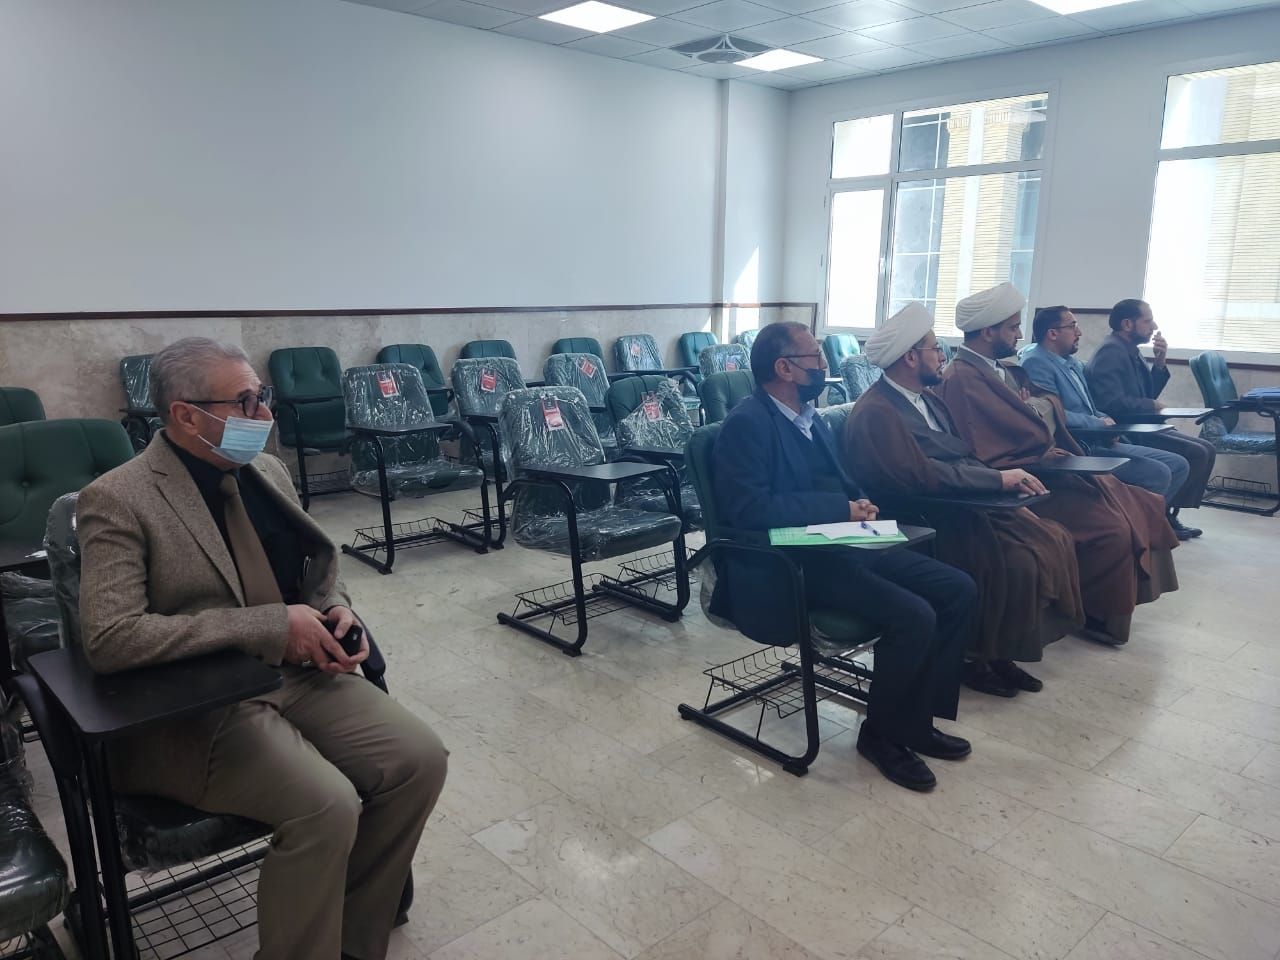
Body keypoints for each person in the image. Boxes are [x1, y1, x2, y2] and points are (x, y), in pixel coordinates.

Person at [77, 338, 448, 960]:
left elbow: (316, 569)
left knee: (420, 760)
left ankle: (353, 936)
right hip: (201, 704)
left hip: (298, 673)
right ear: (186, 415)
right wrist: (270, 625)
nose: (265, 414)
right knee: (324, 805)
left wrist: (336, 608)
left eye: (263, 396)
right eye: (246, 402)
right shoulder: (119, 498)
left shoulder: (266, 471)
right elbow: (111, 638)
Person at [712, 321, 977, 792]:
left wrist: (861, 504)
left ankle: (915, 721)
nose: (825, 365)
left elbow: (841, 480)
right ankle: (881, 736)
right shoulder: (747, 424)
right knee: (914, 615)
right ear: (784, 368)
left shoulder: (809, 415)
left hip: (846, 541)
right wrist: (839, 509)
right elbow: (748, 510)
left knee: (957, 589)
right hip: (798, 560)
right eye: (815, 358)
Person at [843, 303, 1084, 697]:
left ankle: (1001, 653)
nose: (943, 356)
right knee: (1019, 561)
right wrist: (997, 480)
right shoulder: (877, 411)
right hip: (927, 518)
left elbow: (962, 456)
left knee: (1052, 536)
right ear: (910, 357)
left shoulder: (929, 399)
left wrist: (1004, 485)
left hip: (963, 502)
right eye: (935, 348)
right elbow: (923, 476)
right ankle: (976, 657)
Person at [934, 283, 1179, 646]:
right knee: (1112, 527)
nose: (1020, 335)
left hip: (1045, 463)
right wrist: (1035, 414)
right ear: (987, 332)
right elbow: (984, 446)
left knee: (1143, 503)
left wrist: (1035, 410)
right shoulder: (961, 378)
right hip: (1022, 480)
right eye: (1012, 328)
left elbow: (1043, 408)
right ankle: (1096, 610)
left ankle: (1102, 606)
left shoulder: (1001, 369)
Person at [1021, 305, 1200, 539]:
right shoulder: (1037, 362)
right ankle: (1136, 532)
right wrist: (1098, 424)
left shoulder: (1070, 362)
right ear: (1052, 334)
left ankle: (1146, 526)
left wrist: (1103, 420)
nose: (1079, 332)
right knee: (1159, 473)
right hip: (1077, 445)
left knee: (1178, 464)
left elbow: (1090, 405)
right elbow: (1052, 413)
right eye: (1073, 326)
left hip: (1100, 437)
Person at [1085, 298, 1217, 531]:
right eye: (1147, 321)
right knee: (1196, 453)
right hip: (1128, 429)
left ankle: (1168, 513)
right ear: (1127, 324)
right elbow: (1110, 402)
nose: (1154, 326)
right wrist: (1151, 405)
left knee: (1206, 448)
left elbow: (1146, 393)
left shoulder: (1129, 349)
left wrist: (1160, 362)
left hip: (1144, 424)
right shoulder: (1111, 351)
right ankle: (1164, 517)